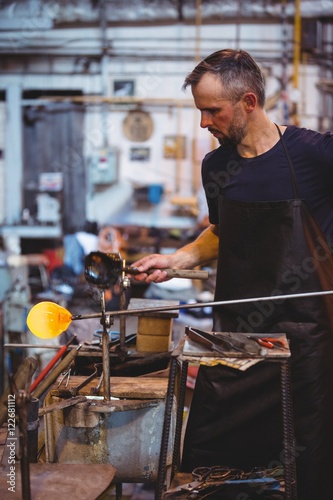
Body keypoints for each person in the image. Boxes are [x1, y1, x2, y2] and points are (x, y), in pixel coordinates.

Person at [132, 49, 333, 500]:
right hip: (238, 342)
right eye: (200, 111)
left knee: (309, 467)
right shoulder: (218, 167)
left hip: (308, 345)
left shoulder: (316, 156)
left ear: (248, 101)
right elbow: (220, 234)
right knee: (211, 455)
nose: (204, 123)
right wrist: (178, 258)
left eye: (212, 111)